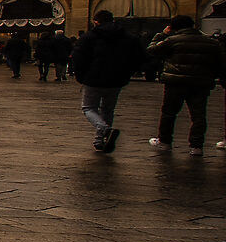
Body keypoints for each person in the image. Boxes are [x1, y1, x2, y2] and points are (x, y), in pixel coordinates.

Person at [70, 9, 145, 155]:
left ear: (96, 22)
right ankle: (100, 141)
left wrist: (81, 76)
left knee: (89, 108)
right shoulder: (128, 37)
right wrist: (126, 74)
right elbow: (139, 57)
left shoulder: (89, 36)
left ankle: (105, 130)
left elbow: (78, 57)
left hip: (93, 79)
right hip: (116, 79)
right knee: (108, 110)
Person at [146, 14, 221, 152]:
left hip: (175, 82)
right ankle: (196, 146)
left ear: (173, 27)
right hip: (200, 83)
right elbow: (219, 62)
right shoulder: (210, 42)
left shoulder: (172, 40)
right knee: (198, 115)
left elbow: (152, 50)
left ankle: (165, 141)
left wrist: (161, 34)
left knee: (169, 113)